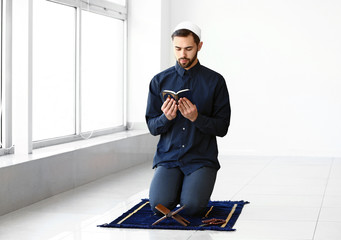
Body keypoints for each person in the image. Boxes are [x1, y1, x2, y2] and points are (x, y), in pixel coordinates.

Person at [145, 21, 231, 217]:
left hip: (201, 158)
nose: (182, 54)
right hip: (168, 158)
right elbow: (152, 127)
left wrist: (196, 118)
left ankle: (189, 192)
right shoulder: (159, 81)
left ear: (199, 46)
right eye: (178, 48)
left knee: (191, 208)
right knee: (158, 205)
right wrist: (166, 118)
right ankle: (173, 188)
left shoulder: (215, 81)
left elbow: (222, 127)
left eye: (188, 49)